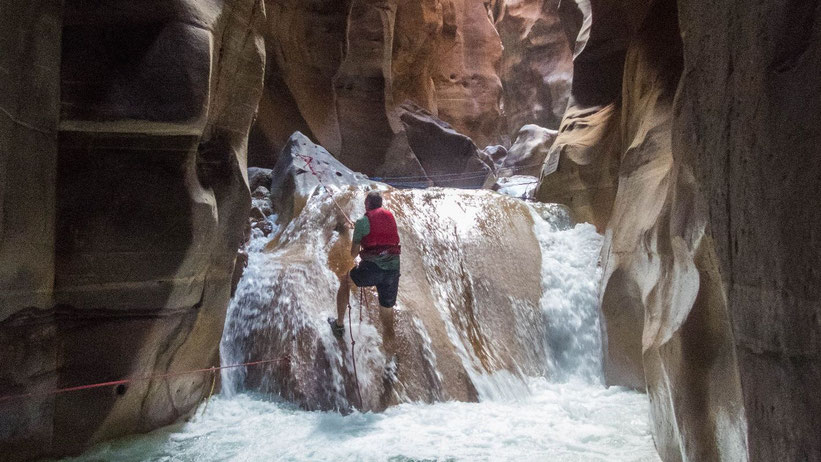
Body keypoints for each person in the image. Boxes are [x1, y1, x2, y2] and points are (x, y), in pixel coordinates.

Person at [329, 191, 401, 350]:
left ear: (367, 204)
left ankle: (339, 325)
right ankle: (390, 358)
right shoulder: (390, 217)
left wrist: (359, 235)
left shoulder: (362, 222)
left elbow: (353, 254)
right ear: (380, 204)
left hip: (373, 269)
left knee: (345, 281)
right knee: (387, 316)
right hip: (393, 271)